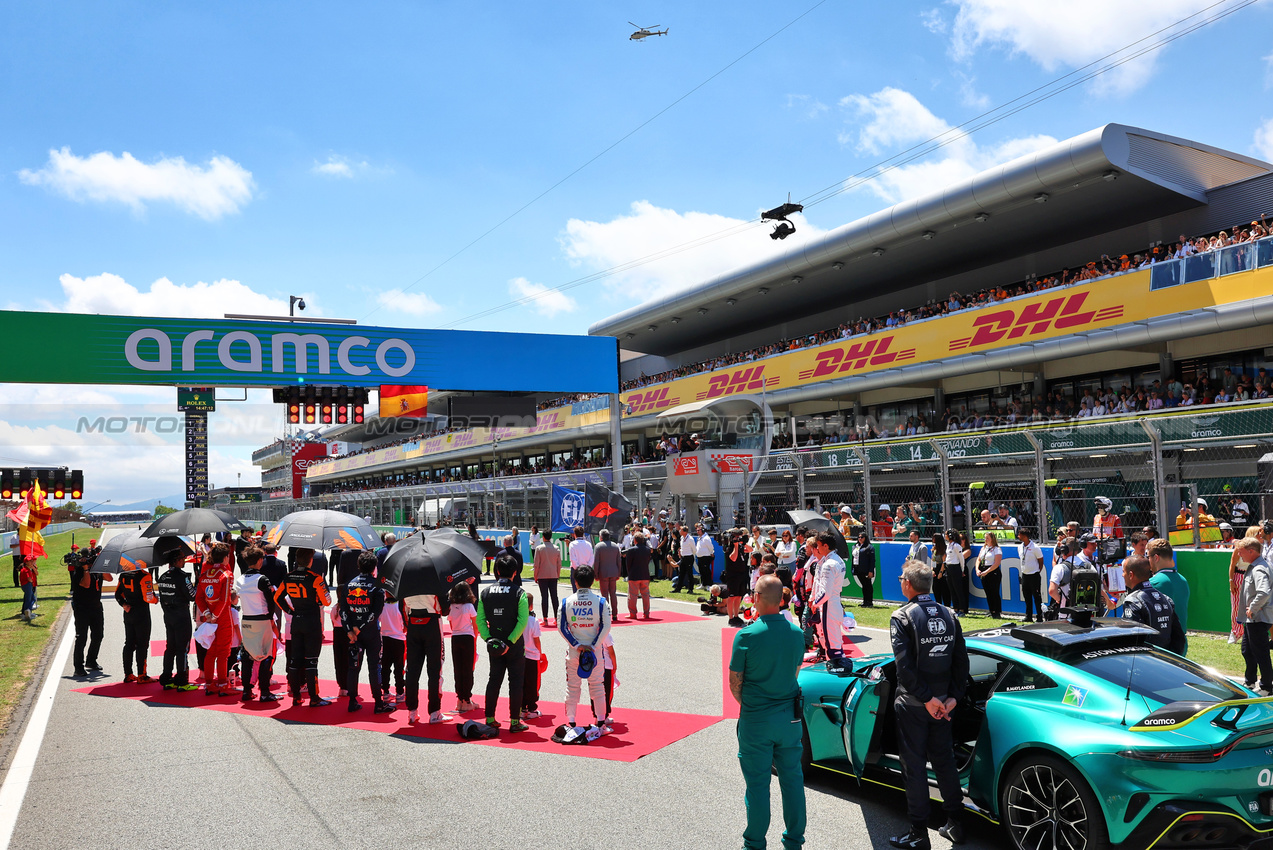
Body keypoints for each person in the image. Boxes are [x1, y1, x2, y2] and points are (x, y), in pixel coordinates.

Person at [888, 562, 968, 850]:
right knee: (945, 762)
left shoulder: (902, 616)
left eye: (901, 579)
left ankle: (919, 833)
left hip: (915, 704)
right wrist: (951, 699)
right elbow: (962, 663)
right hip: (945, 705)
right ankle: (956, 824)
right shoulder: (949, 614)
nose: (900, 583)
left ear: (909, 584)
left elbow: (904, 668)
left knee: (915, 767)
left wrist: (927, 699)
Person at [728, 575, 806, 850]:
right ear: (782, 600)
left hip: (757, 718)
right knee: (793, 780)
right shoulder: (797, 634)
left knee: (758, 786)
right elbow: (795, 673)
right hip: (789, 718)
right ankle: (794, 841)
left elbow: (735, 683)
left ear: (757, 599)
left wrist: (751, 704)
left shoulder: (746, 635)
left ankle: (755, 844)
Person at [274, 548, 333, 707]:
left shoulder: (288, 577)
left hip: (297, 621)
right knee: (311, 661)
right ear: (310, 561)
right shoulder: (315, 578)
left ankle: (296, 696)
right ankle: (314, 698)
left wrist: (289, 611)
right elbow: (327, 601)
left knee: (294, 661)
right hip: (312, 622)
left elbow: (277, 597)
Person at [478, 552, 530, 732]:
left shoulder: (485, 592)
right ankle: (515, 722)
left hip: (494, 644)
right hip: (514, 645)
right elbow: (523, 621)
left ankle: (490, 718)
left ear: (497, 571)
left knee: (494, 680)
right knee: (515, 682)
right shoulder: (520, 593)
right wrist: (509, 641)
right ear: (515, 572)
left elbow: (480, 620)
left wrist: (489, 639)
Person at [558, 564, 611, 728]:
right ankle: (601, 722)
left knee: (572, 687)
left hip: (574, 652)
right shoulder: (601, 602)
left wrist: (577, 645)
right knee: (597, 686)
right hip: (595, 653)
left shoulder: (566, 602)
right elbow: (606, 626)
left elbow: (561, 627)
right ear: (593, 581)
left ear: (575, 581)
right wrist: (593, 646)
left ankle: (571, 723)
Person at [341, 551, 392, 714]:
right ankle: (378, 703)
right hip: (370, 633)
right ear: (374, 567)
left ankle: (352, 701)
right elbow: (374, 614)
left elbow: (343, 611)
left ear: (358, 566)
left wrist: (350, 630)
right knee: (374, 666)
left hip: (353, 635)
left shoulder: (349, 584)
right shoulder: (377, 586)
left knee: (353, 667)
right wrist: (358, 628)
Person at [402, 567, 449, 725]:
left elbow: (403, 607)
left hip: (413, 623)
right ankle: (435, 712)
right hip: (432, 624)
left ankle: (412, 712)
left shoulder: (405, 577)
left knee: (412, 670)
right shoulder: (434, 576)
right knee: (435, 670)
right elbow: (445, 610)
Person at [233, 546, 280, 702]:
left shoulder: (240, 580)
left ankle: (247, 691)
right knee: (266, 655)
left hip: (246, 619)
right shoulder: (262, 579)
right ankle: (265, 692)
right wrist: (271, 618)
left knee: (247, 656)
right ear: (260, 560)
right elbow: (270, 601)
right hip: (262, 619)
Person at [1116, 555, 1186, 654]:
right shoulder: (1166, 599)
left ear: (1131, 575)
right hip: (1166, 662)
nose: (1122, 575)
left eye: (1123, 571)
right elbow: (1179, 638)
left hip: (1145, 663)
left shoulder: (1133, 601)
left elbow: (1131, 640)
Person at [196, 543, 236, 696]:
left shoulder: (205, 573)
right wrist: (215, 616)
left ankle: (209, 684)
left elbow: (199, 598)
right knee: (223, 652)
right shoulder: (226, 574)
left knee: (211, 651)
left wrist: (207, 614)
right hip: (222, 617)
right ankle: (223, 685)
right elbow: (225, 599)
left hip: (209, 616)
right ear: (226, 557)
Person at [1234, 538, 1272, 694]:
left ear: (1251, 551)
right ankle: (1250, 682)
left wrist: (1253, 608)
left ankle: (1267, 687)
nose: (1239, 554)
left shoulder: (1259, 569)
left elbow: (1264, 592)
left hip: (1258, 618)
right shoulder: (1255, 566)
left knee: (1260, 652)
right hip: (1252, 619)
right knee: (1247, 650)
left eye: (1241, 551)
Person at [155, 552, 197, 690]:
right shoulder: (182, 576)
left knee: (170, 647)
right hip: (181, 617)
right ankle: (182, 681)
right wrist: (197, 582)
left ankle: (167, 678)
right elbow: (192, 596)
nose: (184, 560)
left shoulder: (162, 577)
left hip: (168, 616)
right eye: (182, 559)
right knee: (182, 649)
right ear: (177, 561)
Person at [115, 556, 158, 684]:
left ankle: (128, 673)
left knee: (129, 643)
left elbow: (117, 594)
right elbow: (148, 598)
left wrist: (124, 604)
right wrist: (156, 600)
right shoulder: (145, 575)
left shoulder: (123, 575)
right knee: (142, 645)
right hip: (142, 614)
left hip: (128, 613)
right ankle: (142, 675)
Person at [811, 532, 848, 667]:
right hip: (835, 603)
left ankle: (836, 669)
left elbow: (825, 592)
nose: (817, 548)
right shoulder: (837, 560)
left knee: (831, 643)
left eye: (819, 545)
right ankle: (839, 667)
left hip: (828, 605)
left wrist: (815, 604)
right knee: (835, 641)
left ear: (826, 546)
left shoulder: (829, 564)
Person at [1148, 538, 1190, 654]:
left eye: (1148, 557)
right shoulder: (1183, 580)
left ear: (1156, 558)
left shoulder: (1154, 582)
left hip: (1161, 645)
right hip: (1181, 644)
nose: (1148, 561)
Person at [70, 549, 106, 677]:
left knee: (98, 635)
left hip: (96, 607)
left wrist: (100, 565)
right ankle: (78, 666)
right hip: (82, 609)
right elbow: (86, 584)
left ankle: (91, 660)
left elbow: (109, 577)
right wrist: (85, 568)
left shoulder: (97, 570)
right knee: (82, 637)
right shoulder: (79, 572)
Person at [448, 582, 480, 713]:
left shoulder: (451, 606)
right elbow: (475, 625)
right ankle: (467, 699)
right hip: (467, 637)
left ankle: (460, 698)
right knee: (468, 669)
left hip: (455, 637)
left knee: (458, 668)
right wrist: (475, 638)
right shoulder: (469, 606)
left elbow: (450, 625)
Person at [379, 590, 406, 705]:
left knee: (385, 667)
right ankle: (400, 692)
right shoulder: (399, 605)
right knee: (399, 667)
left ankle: (385, 692)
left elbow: (379, 620)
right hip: (398, 639)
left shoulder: (382, 606)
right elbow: (405, 625)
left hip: (385, 638)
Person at [522, 592, 545, 719]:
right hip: (532, 656)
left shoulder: (517, 619)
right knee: (533, 684)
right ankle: (531, 708)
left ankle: (521, 707)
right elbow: (536, 640)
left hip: (520, 656)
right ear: (531, 606)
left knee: (521, 682)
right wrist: (540, 653)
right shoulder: (533, 620)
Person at [532, 531, 562, 622]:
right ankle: (557, 618)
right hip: (553, 575)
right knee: (554, 597)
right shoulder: (556, 548)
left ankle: (545, 618)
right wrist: (557, 574)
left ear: (543, 537)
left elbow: (536, 564)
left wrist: (535, 576)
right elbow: (559, 564)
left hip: (542, 575)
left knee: (544, 597)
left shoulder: (539, 548)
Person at [593, 529, 622, 619]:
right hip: (614, 572)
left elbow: (596, 562)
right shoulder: (615, 546)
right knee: (613, 593)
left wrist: (596, 574)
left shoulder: (598, 546)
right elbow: (619, 561)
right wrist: (618, 573)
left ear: (601, 537)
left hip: (603, 573)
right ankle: (615, 613)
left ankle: (606, 613)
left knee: (604, 594)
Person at [1017, 528, 1044, 623]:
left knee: (1037, 597)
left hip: (1034, 575)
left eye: (1019, 535)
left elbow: (1041, 561)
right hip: (1025, 575)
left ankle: (1039, 616)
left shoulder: (1035, 547)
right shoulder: (1020, 547)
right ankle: (1028, 616)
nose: (1018, 536)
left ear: (1025, 536)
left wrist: (1037, 571)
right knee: (1026, 596)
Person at [723, 530, 749, 627]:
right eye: (736, 537)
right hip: (732, 575)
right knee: (732, 596)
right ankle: (731, 618)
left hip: (741, 573)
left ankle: (736, 615)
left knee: (738, 596)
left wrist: (744, 543)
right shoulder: (729, 547)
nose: (738, 539)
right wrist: (736, 546)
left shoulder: (741, 546)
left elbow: (750, 550)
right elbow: (733, 558)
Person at [625, 531, 653, 619]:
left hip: (634, 574)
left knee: (633, 595)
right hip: (645, 574)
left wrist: (629, 572)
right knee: (645, 595)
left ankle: (633, 613)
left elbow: (628, 564)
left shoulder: (631, 550)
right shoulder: (648, 550)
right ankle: (646, 613)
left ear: (635, 540)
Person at [975, 532, 1003, 618]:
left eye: (987, 538)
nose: (986, 540)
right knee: (988, 592)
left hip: (993, 571)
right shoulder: (984, 548)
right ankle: (991, 610)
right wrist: (977, 569)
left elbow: (997, 563)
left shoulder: (996, 549)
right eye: (985, 538)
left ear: (992, 539)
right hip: (983, 570)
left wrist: (987, 571)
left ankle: (997, 611)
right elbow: (978, 559)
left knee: (994, 591)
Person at [943, 530, 967, 616]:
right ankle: (955, 608)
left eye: (946, 534)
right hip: (949, 568)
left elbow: (961, 559)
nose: (945, 536)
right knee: (952, 589)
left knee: (958, 589)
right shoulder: (948, 545)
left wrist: (962, 570)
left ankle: (962, 609)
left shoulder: (957, 546)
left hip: (955, 568)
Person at [851, 533, 875, 607]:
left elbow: (872, 560)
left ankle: (869, 601)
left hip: (865, 569)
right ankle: (865, 601)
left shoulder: (869, 547)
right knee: (864, 585)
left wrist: (871, 571)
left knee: (868, 585)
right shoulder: (855, 546)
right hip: (857, 568)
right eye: (858, 537)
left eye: (862, 537)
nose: (860, 538)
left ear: (865, 538)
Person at [567, 526, 593, 593]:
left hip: (576, 570)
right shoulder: (588, 544)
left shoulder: (572, 544)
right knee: (587, 591)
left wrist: (579, 569)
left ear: (574, 534)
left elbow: (573, 560)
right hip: (587, 570)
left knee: (576, 592)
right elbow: (591, 559)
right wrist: (586, 568)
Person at [674, 525, 697, 592]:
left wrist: (690, 554)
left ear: (685, 532)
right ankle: (678, 588)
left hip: (689, 557)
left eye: (681, 530)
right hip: (683, 557)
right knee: (681, 573)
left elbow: (694, 549)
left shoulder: (690, 539)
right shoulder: (682, 538)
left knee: (689, 573)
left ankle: (690, 589)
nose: (679, 531)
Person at [695, 523, 716, 591]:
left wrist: (711, 553)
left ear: (702, 530)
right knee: (702, 571)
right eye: (697, 530)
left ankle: (709, 585)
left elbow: (711, 547)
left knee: (706, 571)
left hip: (706, 557)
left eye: (699, 530)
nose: (697, 531)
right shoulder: (700, 538)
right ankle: (703, 584)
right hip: (700, 557)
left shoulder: (706, 538)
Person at [18, 558, 36, 624]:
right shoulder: (26, 570)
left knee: (31, 598)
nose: (32, 562)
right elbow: (29, 578)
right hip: (27, 585)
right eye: (30, 561)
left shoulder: (27, 569)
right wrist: (31, 580)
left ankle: (28, 611)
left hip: (26, 585)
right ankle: (27, 611)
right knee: (30, 599)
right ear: (26, 562)